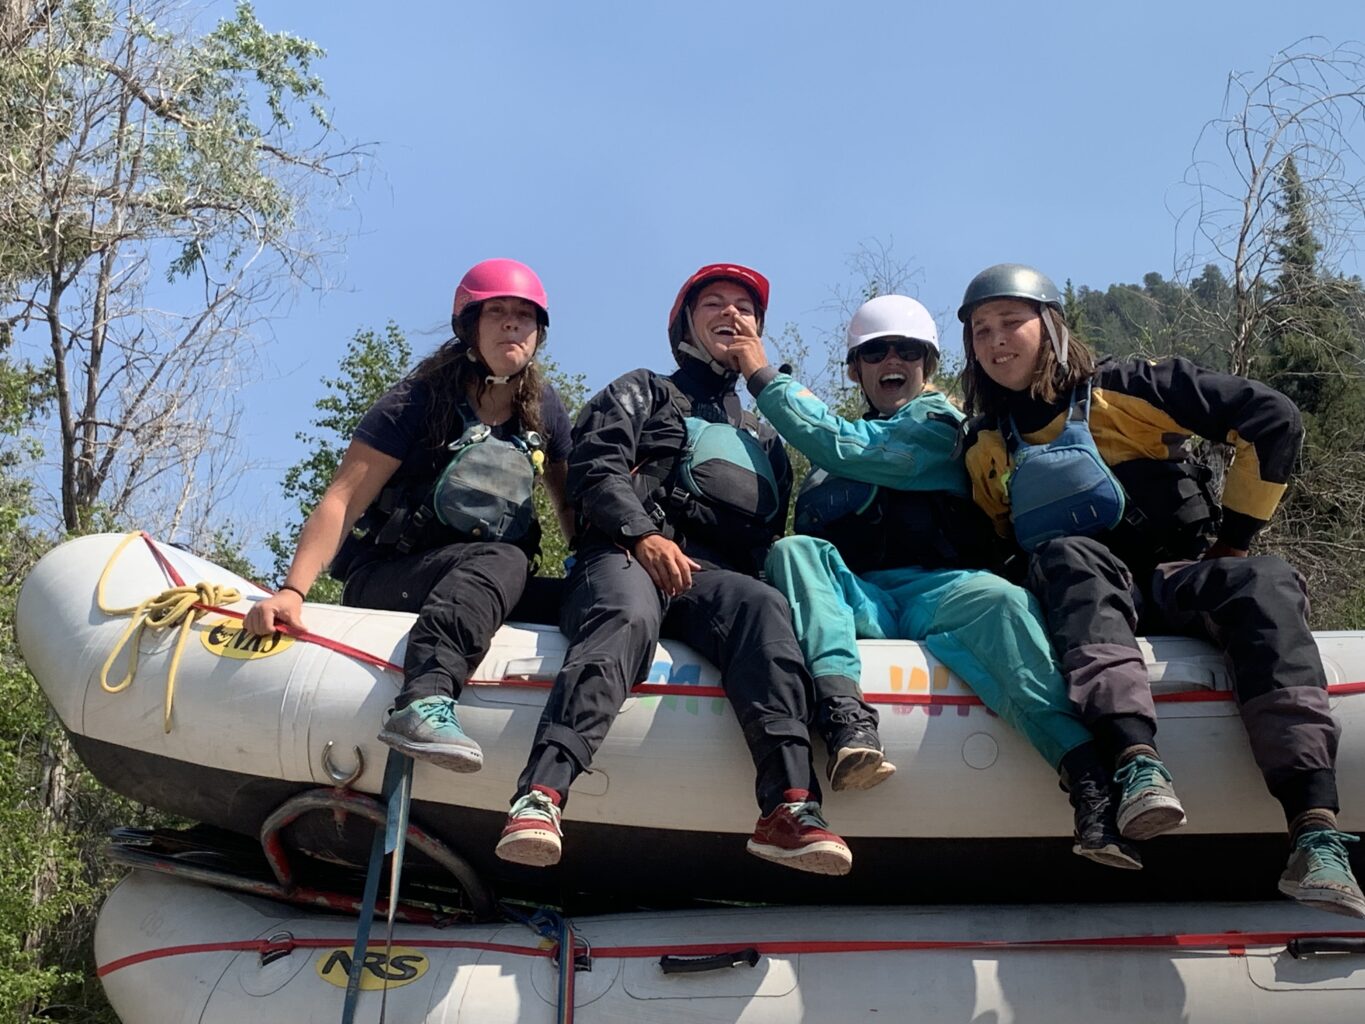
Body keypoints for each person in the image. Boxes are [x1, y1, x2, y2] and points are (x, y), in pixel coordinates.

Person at [958, 262, 1364, 917]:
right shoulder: (981, 447)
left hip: (1180, 578)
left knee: (1262, 580)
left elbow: (1271, 418)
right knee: (1066, 556)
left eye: (1011, 322)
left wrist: (1234, 540)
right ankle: (1136, 764)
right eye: (980, 330)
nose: (995, 339)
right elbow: (989, 548)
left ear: (1051, 326)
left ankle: (1315, 831)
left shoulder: (1127, 387)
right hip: (1085, 599)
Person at [730, 294, 1140, 869]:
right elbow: (832, 459)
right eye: (875, 352)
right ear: (856, 369)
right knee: (795, 551)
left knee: (1002, 600)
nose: (891, 360)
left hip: (942, 592)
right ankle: (846, 720)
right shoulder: (823, 465)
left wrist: (761, 373)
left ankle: (1089, 779)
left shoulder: (937, 424)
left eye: (907, 350)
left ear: (928, 363)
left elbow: (848, 445)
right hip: (863, 599)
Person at [495, 263, 852, 876]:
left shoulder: (766, 437)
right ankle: (540, 794)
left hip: (711, 578)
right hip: (624, 555)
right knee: (626, 613)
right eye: (713, 303)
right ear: (685, 324)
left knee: (765, 608)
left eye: (744, 307)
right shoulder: (642, 389)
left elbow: (767, 534)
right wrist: (643, 535)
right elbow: (594, 472)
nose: (730, 314)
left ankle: (790, 808)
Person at [244, 258, 575, 772]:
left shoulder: (545, 411)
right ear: (471, 324)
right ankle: (422, 701)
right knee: (504, 559)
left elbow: (571, 508)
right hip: (388, 576)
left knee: (583, 594)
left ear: (538, 332)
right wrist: (292, 590)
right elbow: (342, 499)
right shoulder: (417, 400)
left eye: (524, 316)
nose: (512, 323)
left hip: (481, 582)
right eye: (498, 313)